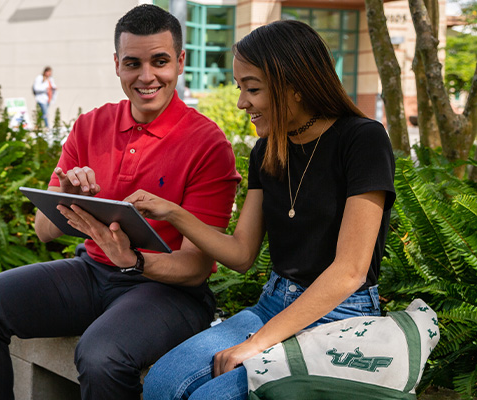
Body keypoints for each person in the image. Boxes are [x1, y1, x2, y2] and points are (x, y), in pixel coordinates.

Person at [0, 5, 242, 400]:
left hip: (171, 293)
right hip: (92, 272)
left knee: (102, 354)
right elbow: (43, 232)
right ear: (117, 65)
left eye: (160, 61)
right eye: (133, 63)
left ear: (180, 61)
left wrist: (136, 262)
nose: (146, 76)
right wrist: (69, 198)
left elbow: (194, 268)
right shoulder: (90, 125)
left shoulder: (208, 143)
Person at [135, 20, 396, 400]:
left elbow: (350, 271)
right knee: (161, 382)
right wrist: (174, 213)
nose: (242, 103)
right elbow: (241, 254)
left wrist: (257, 343)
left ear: (294, 86)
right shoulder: (266, 150)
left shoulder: (362, 140)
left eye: (252, 89)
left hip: (342, 314)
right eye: (241, 88)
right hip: (272, 302)